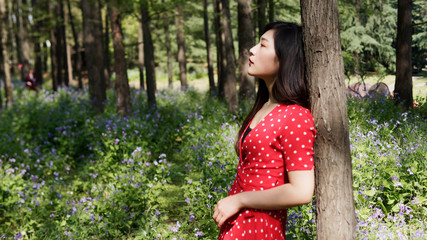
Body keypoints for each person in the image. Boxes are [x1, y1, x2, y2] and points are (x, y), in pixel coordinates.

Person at [213, 21, 316, 239]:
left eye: (263, 45)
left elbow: (302, 191)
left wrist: (239, 200)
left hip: (259, 229)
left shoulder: (295, 115)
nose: (252, 49)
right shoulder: (264, 107)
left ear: (285, 58)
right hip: (239, 225)